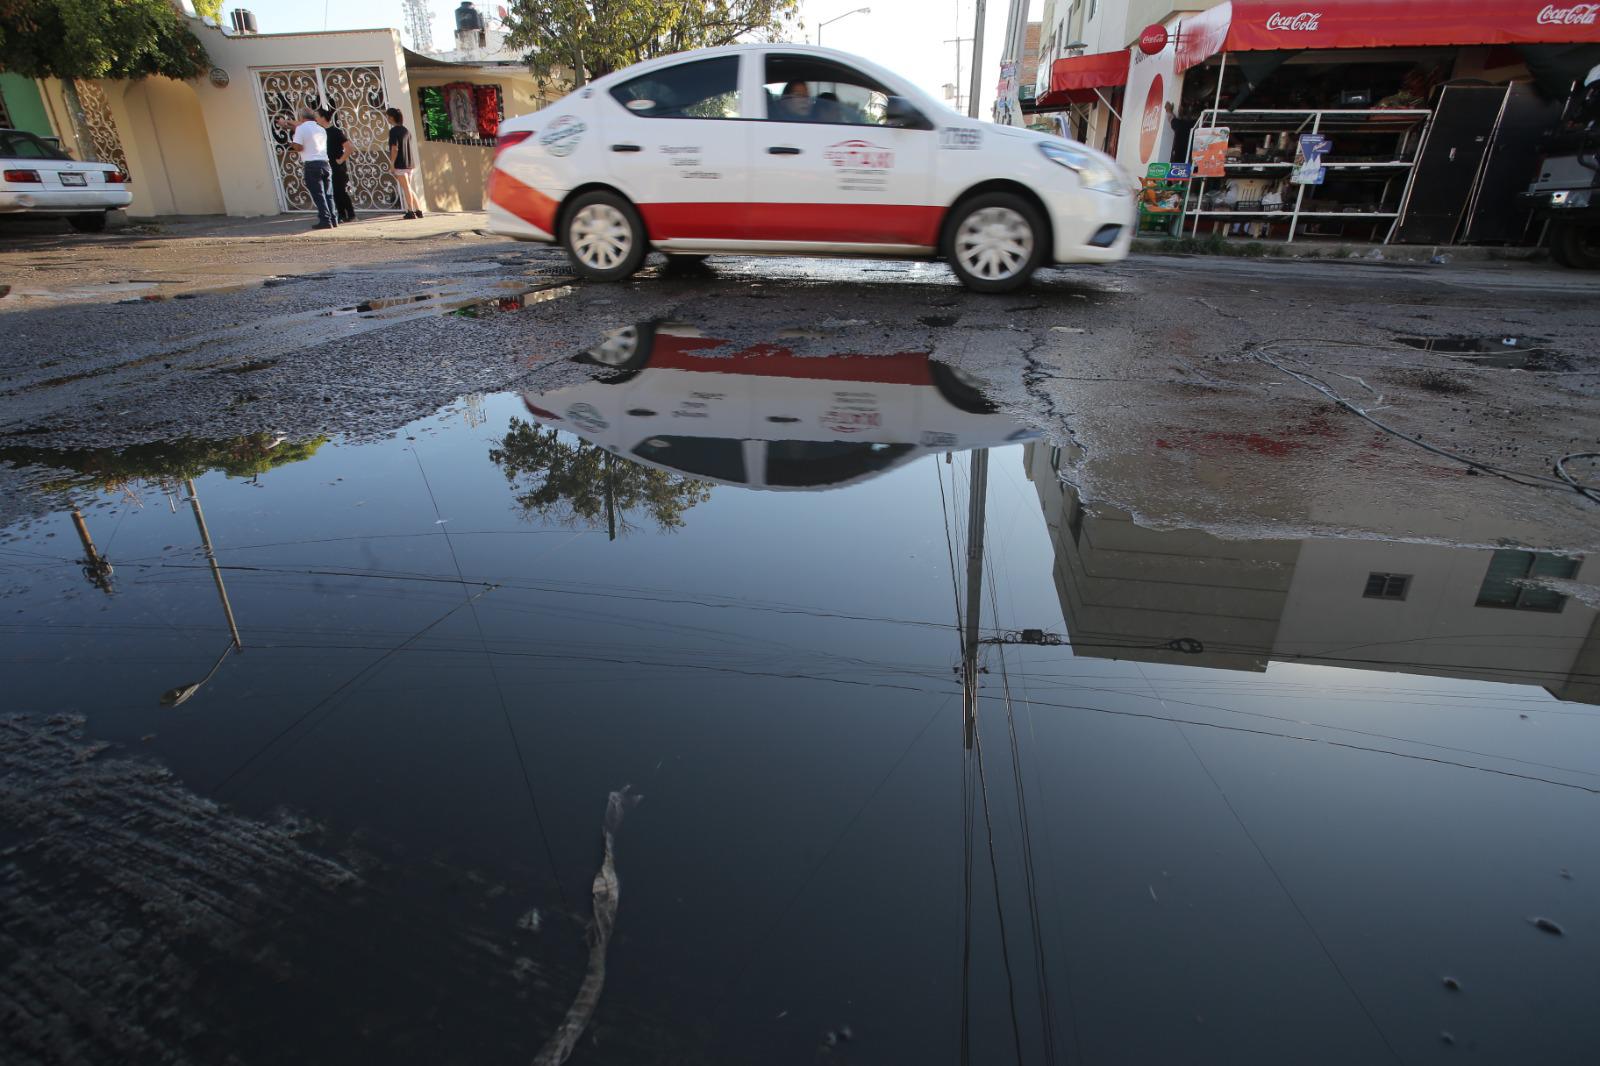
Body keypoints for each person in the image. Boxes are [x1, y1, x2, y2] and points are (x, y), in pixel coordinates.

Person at [288, 105, 336, 230]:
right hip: (325, 163)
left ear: (301, 117)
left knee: (318, 194)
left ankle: (325, 220)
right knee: (328, 194)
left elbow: (299, 147)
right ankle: (333, 219)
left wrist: (292, 143)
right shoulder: (320, 129)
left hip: (312, 164)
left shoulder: (301, 129)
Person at [318, 107, 355, 223]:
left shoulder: (335, 131)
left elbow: (349, 147)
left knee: (340, 191)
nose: (315, 119)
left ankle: (351, 214)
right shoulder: (320, 132)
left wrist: (341, 160)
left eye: (317, 116)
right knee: (332, 191)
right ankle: (341, 215)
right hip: (326, 165)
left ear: (323, 117)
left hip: (336, 166)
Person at [385, 106, 422, 219]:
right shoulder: (406, 130)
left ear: (391, 118)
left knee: (406, 188)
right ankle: (418, 210)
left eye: (387, 117)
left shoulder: (393, 131)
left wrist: (392, 163)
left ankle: (410, 211)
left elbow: (394, 148)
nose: (387, 119)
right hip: (409, 163)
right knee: (408, 187)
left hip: (400, 164)